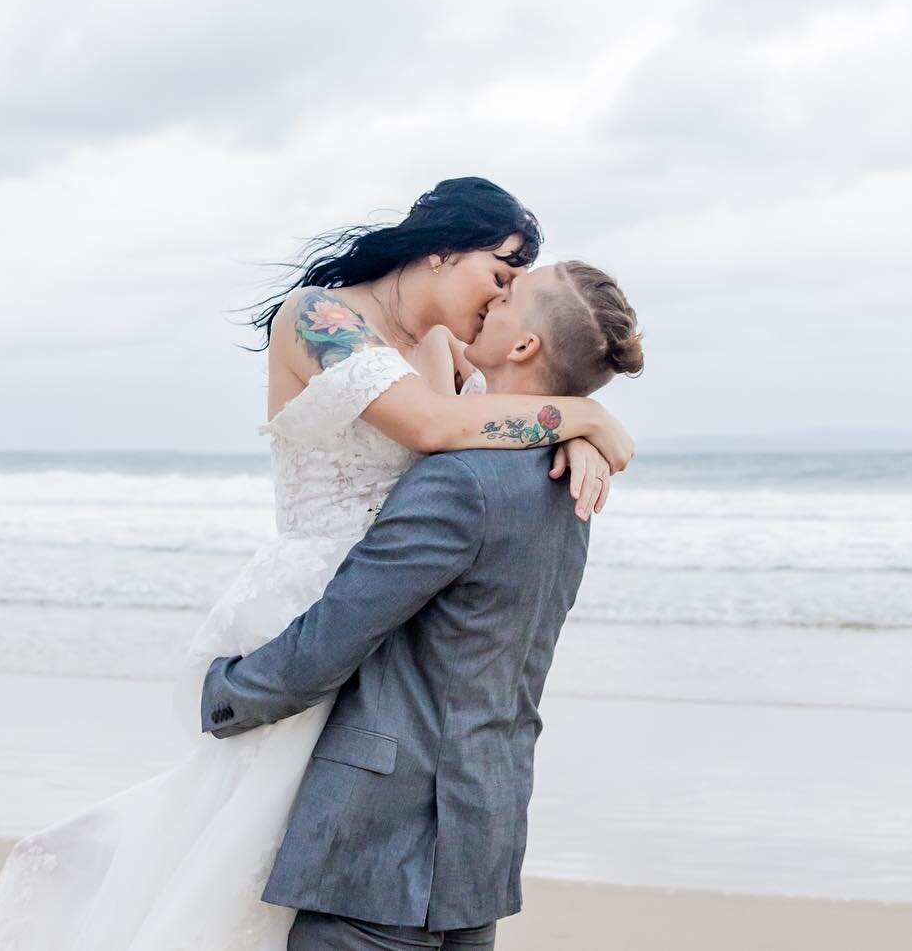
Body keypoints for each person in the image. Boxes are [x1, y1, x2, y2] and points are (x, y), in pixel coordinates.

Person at [0, 178, 641, 951]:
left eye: (512, 291)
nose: (499, 300)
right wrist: (586, 416)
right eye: (498, 275)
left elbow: (503, 401)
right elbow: (434, 425)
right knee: (223, 865)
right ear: (443, 250)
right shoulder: (320, 316)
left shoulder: (448, 355)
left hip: (382, 635)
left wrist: (577, 427)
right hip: (313, 616)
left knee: (290, 862)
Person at [202, 260, 645, 949]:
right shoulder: (567, 481)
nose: (493, 302)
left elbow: (335, 635)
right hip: (481, 840)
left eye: (509, 298)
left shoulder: (458, 479)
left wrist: (226, 692)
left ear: (525, 346)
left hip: (380, 850)